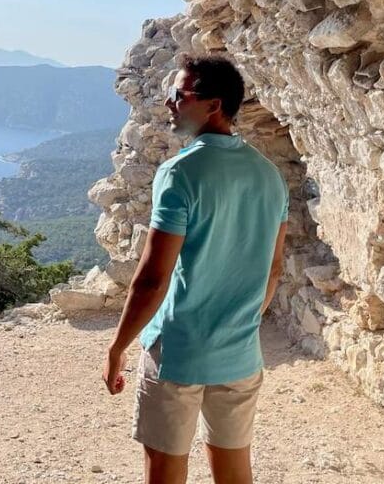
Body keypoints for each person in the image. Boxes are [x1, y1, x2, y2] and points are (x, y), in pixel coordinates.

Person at [102, 55, 289, 484]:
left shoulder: (180, 173)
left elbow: (153, 277)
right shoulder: (269, 175)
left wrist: (118, 348)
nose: (169, 104)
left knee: (165, 467)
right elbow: (274, 268)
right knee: (234, 468)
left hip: (180, 353)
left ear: (212, 105)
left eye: (178, 95)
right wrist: (240, 320)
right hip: (240, 352)